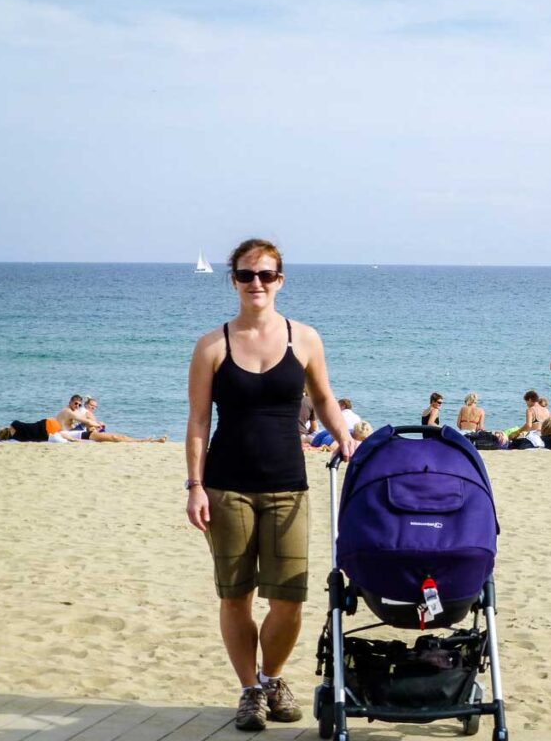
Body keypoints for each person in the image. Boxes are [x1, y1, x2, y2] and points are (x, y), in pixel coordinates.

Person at [185, 238, 355, 731]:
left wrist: (345, 438)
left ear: (280, 279)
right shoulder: (211, 346)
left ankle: (271, 677)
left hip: (288, 486)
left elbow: (324, 400)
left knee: (289, 599)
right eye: (245, 275)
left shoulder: (304, 338)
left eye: (265, 274)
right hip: (226, 486)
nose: (255, 283)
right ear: (233, 280)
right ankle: (249, 691)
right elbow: (198, 422)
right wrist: (194, 486)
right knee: (235, 597)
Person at [0, 418, 165, 443]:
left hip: (70, 434)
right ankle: (143, 441)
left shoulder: (19, 437)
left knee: (112, 437)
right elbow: (66, 438)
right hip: (71, 435)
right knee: (112, 437)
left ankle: (144, 440)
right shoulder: (16, 427)